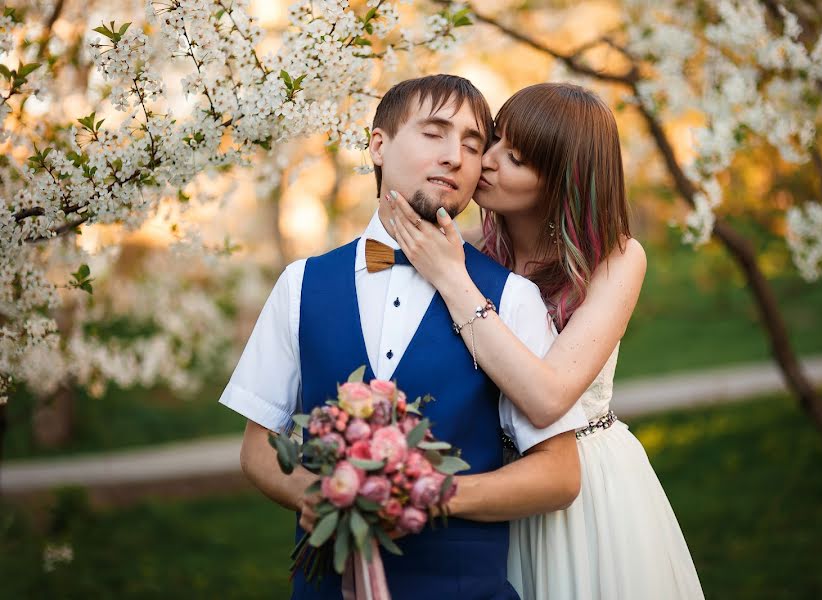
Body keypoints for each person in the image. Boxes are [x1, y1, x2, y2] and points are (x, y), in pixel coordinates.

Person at [219, 75, 588, 600]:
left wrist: (432, 493)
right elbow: (259, 447)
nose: (455, 156)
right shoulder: (300, 284)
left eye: (472, 144)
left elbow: (558, 475)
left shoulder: (513, 298)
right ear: (378, 144)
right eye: (434, 133)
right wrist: (322, 497)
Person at [388, 82, 705, 599]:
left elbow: (548, 397)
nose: (484, 161)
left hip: (584, 487)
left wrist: (452, 280)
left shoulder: (617, 261)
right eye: (491, 141)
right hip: (494, 484)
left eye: (513, 158)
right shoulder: (464, 252)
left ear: (562, 181)